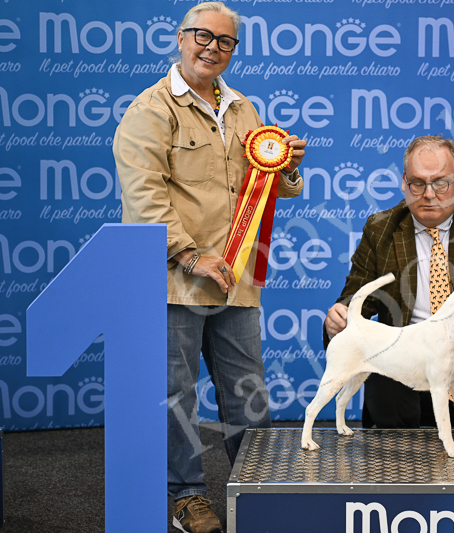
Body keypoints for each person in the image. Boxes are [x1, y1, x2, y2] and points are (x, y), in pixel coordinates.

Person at [113, 3, 306, 532]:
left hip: (235, 281)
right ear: (181, 38)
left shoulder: (244, 109)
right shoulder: (150, 109)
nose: (212, 48)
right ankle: (186, 497)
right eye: (202, 36)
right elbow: (143, 197)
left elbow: (262, 190)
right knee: (175, 394)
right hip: (175, 280)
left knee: (248, 390)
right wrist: (189, 254)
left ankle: (261, 489)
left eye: (225, 41)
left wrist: (288, 169)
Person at [323, 135, 454, 431]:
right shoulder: (380, 229)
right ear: (404, 183)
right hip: (415, 379)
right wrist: (338, 319)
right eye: (417, 183)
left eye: (440, 183)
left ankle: (444, 421)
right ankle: (417, 437)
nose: (428, 194)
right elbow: (353, 300)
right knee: (385, 388)